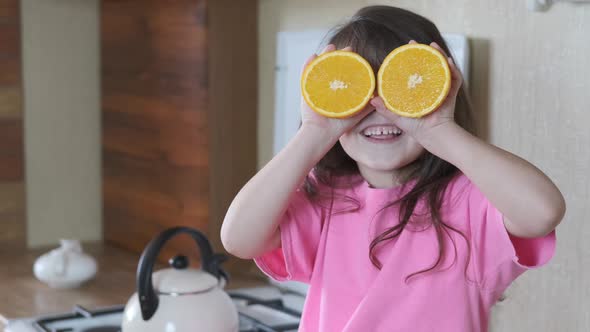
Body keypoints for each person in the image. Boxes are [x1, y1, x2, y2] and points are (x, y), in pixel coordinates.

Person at [221, 5, 565, 332]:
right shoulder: (325, 199)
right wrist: (315, 132)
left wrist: (438, 130)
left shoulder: (470, 204)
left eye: (398, 90)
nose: (378, 108)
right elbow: (238, 239)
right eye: (357, 90)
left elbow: (542, 212)